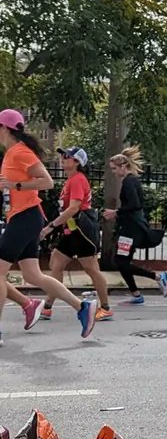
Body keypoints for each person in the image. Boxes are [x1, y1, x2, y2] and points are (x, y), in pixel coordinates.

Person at [0, 109, 96, 343]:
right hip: (23, 217)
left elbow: (47, 181)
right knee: (32, 275)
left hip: (25, 217)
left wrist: (15, 185)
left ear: (4, 128)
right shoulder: (12, 153)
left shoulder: (20, 152)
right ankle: (82, 307)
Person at [38, 147, 112, 322]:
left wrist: (51, 227)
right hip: (71, 230)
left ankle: (106, 307)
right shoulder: (71, 180)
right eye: (62, 156)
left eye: (67, 156)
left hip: (81, 231)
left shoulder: (78, 180)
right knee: (56, 263)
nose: (62, 158)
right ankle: (47, 306)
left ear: (77, 162)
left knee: (91, 268)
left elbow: (74, 208)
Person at [102, 147, 167, 303]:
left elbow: (135, 204)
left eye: (114, 168)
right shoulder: (131, 180)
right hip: (130, 229)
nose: (113, 172)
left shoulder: (128, 182)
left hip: (131, 230)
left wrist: (116, 212)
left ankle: (158, 277)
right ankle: (136, 294)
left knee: (121, 262)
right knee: (122, 262)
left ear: (123, 166)